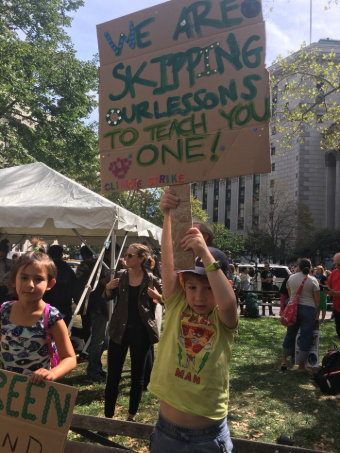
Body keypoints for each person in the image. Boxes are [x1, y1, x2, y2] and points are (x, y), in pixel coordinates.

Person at [147, 188, 238, 453]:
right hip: (166, 432)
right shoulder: (176, 304)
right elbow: (167, 261)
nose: (199, 296)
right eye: (193, 287)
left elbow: (229, 301)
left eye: (209, 287)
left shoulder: (223, 318)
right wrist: (166, 216)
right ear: (184, 284)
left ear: (222, 285)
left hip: (208, 438)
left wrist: (206, 256)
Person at [103, 244, 162, 422]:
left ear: (141, 259)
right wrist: (107, 289)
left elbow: (167, 300)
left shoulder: (151, 279)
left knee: (138, 376)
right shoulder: (120, 276)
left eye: (130, 255)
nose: (126, 258)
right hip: (118, 331)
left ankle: (131, 417)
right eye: (126, 255)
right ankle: (108, 418)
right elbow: (108, 297)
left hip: (142, 333)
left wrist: (158, 297)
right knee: (113, 376)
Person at [0, 248, 76, 382]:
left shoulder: (51, 317)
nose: (30, 284)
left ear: (50, 284)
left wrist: (52, 373)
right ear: (13, 280)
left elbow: (69, 358)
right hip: (6, 391)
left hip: (35, 393)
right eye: (24, 277)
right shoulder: (4, 311)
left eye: (38, 279)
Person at [75, 245, 110, 383]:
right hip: (98, 306)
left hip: (103, 306)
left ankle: (96, 366)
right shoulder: (100, 265)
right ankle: (92, 370)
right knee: (97, 340)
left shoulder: (104, 264)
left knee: (103, 340)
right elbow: (106, 282)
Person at [281, 258, 319, 372]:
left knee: (290, 334)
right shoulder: (313, 280)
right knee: (306, 336)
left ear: (298, 267)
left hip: (294, 310)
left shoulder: (291, 278)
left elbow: (290, 295)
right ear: (310, 268)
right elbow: (317, 301)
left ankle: (284, 360)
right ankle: (301, 365)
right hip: (309, 309)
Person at [44, 245, 76, 327]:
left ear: (48, 255)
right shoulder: (69, 270)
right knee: (64, 331)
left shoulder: (45, 269)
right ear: (61, 255)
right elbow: (75, 286)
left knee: (47, 332)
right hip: (66, 304)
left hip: (48, 305)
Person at [324, 253, 340, 340]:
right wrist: (326, 289)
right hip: (336, 307)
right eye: (335, 264)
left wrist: (335, 293)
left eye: (339, 264)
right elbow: (329, 285)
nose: (336, 266)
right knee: (338, 330)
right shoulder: (334, 272)